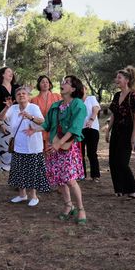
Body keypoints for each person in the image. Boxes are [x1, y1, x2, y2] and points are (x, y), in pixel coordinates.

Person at [34, 75, 88, 224]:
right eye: (63, 81)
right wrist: (34, 129)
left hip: (67, 147)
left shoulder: (78, 104)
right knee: (60, 179)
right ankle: (68, 206)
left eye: (67, 82)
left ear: (73, 88)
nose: (62, 84)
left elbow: (75, 128)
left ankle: (81, 209)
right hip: (54, 145)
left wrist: (59, 143)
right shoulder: (56, 105)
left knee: (70, 180)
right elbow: (47, 124)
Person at [5, 87, 51, 206]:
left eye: (24, 93)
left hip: (33, 146)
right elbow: (1, 118)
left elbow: (43, 122)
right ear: (16, 97)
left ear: (28, 96)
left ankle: (34, 196)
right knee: (19, 171)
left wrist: (30, 117)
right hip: (18, 146)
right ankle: (22, 195)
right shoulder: (13, 108)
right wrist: (6, 107)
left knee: (33, 172)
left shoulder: (33, 107)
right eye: (18, 94)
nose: (21, 95)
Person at [106, 66, 135, 198]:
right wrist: (108, 130)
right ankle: (119, 189)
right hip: (116, 130)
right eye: (117, 78)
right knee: (113, 161)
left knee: (122, 162)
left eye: (119, 78)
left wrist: (134, 136)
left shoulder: (133, 95)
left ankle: (133, 188)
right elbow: (114, 114)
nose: (117, 80)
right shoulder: (116, 95)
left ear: (126, 80)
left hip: (128, 131)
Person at [0, 67, 19, 172]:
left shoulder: (17, 88)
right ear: (2, 74)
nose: (11, 74)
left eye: (12, 72)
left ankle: (17, 174)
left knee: (18, 147)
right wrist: (0, 124)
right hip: (3, 121)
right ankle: (0, 171)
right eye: (8, 72)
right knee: (4, 148)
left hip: (18, 120)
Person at [30, 75, 62, 151]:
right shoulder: (34, 100)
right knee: (42, 152)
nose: (45, 84)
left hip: (55, 127)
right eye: (42, 82)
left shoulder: (57, 96)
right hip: (41, 128)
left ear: (50, 84)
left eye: (47, 82)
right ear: (39, 85)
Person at [81, 86, 101, 182]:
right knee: (80, 153)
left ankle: (95, 175)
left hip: (92, 128)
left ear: (86, 89)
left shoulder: (91, 98)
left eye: (82, 88)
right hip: (80, 130)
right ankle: (82, 174)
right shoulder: (75, 101)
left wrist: (91, 120)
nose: (81, 90)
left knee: (92, 153)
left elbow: (96, 109)